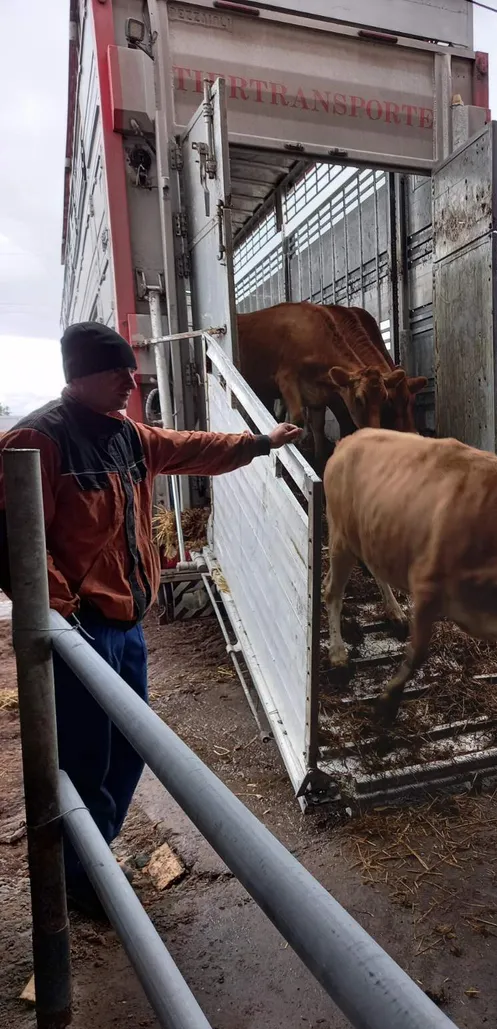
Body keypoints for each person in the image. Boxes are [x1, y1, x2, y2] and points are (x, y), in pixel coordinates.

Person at [0, 322, 301, 919]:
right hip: (81, 630)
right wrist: (60, 612)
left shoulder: (129, 436)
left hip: (128, 623)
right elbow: (12, 544)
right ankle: (81, 880)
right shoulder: (37, 439)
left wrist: (260, 443)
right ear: (80, 374)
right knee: (86, 754)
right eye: (117, 371)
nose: (130, 381)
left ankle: (97, 854)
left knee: (130, 747)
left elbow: (194, 447)